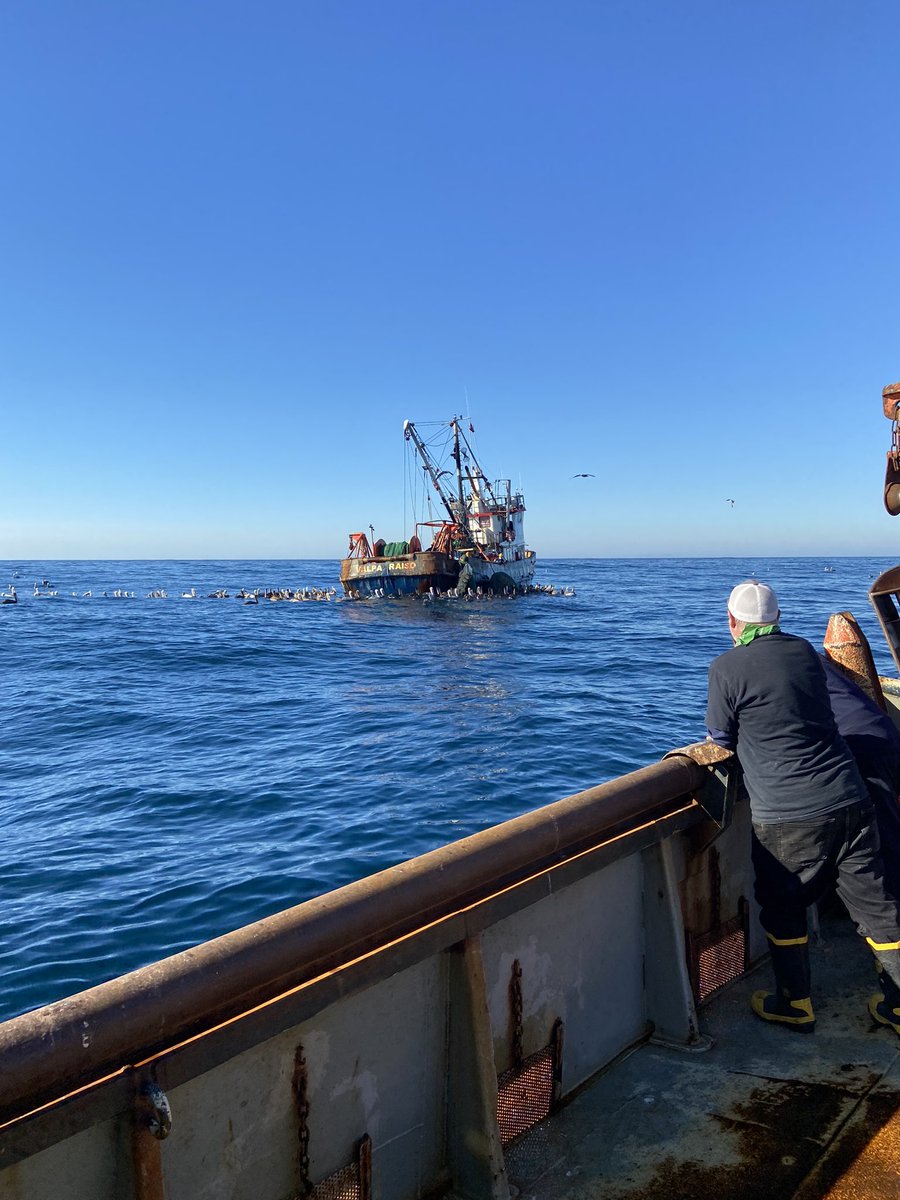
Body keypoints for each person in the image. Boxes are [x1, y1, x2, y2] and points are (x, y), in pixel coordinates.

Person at [706, 579, 900, 1035]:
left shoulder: (726, 667)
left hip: (787, 814)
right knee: (877, 906)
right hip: (852, 798)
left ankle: (795, 1004)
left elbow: (720, 740)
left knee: (783, 904)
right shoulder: (804, 653)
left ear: (733, 622)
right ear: (777, 618)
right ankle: (897, 1005)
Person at [820, 654, 900, 896]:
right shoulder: (805, 655)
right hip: (883, 734)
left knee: (881, 834)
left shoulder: (770, 669)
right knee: (888, 824)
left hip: (860, 747)